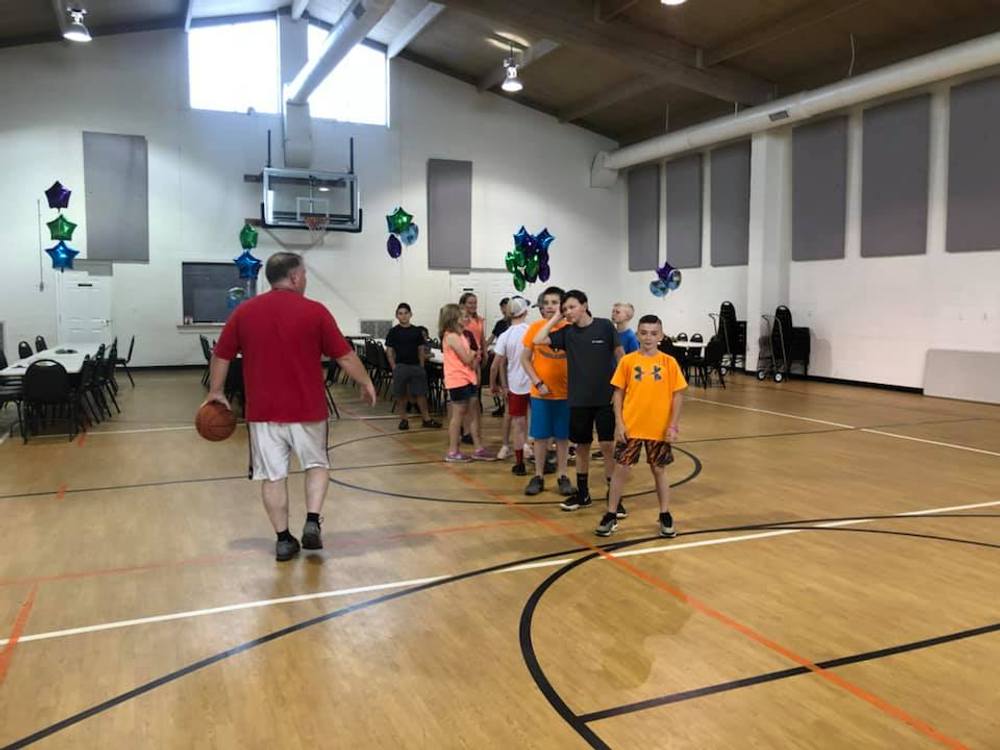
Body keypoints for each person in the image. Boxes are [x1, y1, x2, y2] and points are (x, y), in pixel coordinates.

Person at [204, 252, 376, 562]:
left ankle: (283, 540)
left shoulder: (244, 312)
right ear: (295, 277)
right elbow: (345, 356)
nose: (306, 280)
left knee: (273, 476)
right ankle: (312, 520)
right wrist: (365, 381)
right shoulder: (315, 312)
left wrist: (216, 391)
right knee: (317, 465)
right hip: (308, 409)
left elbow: (222, 355)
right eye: (305, 275)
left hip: (263, 412)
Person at [596, 315, 686, 538]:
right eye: (644, 333)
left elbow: (678, 395)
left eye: (654, 333)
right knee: (621, 470)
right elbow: (618, 393)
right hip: (631, 427)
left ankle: (665, 514)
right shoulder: (627, 361)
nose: (648, 337)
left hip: (658, 428)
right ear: (637, 335)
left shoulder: (669, 363)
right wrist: (619, 422)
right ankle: (611, 514)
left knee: (659, 470)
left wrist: (673, 425)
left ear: (661, 336)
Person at [534, 289, 624, 511]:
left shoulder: (605, 326)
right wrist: (556, 317)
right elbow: (538, 339)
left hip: (605, 398)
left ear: (584, 305)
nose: (568, 311)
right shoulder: (567, 333)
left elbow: (621, 358)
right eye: (565, 309)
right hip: (578, 400)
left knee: (606, 447)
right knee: (582, 448)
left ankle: (615, 499)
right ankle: (583, 495)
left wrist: (620, 389)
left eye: (571, 307)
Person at [520, 286, 574, 497]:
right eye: (547, 303)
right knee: (540, 437)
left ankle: (562, 474)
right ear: (541, 306)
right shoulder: (535, 328)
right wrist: (537, 382)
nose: (551, 307)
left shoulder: (571, 328)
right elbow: (525, 358)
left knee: (562, 437)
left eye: (555, 303)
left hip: (566, 394)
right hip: (541, 393)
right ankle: (539, 475)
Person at [440, 303, 494, 462]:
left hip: (468, 377)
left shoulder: (462, 335)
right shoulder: (451, 336)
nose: (467, 319)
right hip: (458, 380)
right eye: (463, 316)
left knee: (473, 414)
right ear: (453, 318)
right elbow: (466, 357)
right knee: (458, 416)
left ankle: (478, 448)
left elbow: (471, 356)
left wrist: (473, 355)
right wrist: (473, 354)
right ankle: (453, 451)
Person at [489, 297, 531, 475]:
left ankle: (519, 463)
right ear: (526, 312)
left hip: (515, 385)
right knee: (537, 423)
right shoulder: (532, 331)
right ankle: (542, 460)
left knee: (518, 424)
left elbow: (495, 365)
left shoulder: (505, 336)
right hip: (535, 383)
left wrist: (493, 385)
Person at [385, 303, 441, 431]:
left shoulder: (417, 331)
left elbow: (420, 350)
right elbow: (389, 351)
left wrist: (421, 366)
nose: (403, 316)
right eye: (400, 313)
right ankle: (403, 419)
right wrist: (394, 367)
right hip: (400, 367)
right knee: (401, 395)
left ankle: (426, 419)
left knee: (421, 394)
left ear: (410, 314)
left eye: (406, 313)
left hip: (416, 367)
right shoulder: (393, 332)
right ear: (396, 316)